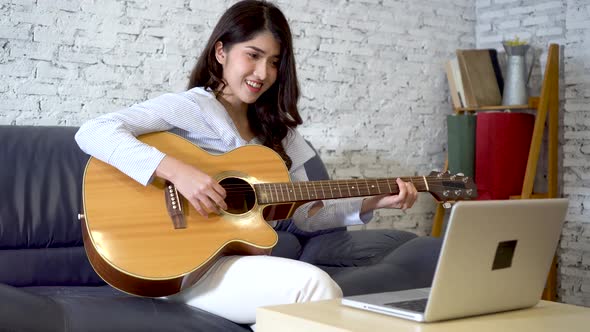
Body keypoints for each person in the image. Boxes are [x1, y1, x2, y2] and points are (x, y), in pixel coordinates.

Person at [75, 0, 418, 326]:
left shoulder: (281, 137)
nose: (262, 72)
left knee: (302, 307)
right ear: (221, 52)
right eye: (252, 56)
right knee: (314, 287)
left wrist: (375, 200)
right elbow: (94, 131)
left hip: (237, 267)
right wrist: (178, 172)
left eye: (273, 62)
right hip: (174, 265)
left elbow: (305, 215)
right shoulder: (193, 107)